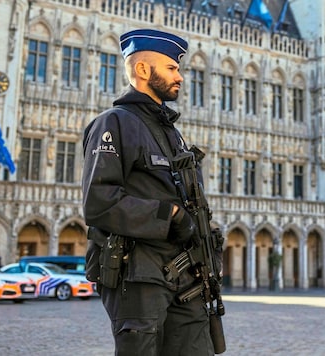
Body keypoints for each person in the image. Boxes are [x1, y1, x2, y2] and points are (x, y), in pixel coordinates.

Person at [82, 29, 216, 355]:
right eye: (172, 68)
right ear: (143, 70)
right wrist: (168, 216)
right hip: (139, 274)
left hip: (186, 274)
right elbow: (98, 202)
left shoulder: (173, 135)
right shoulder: (114, 123)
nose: (180, 77)